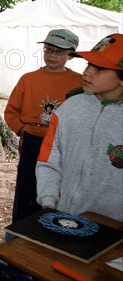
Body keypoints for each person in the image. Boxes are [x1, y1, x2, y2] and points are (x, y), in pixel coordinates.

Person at [36, 33, 123, 222]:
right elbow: (49, 160)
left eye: (99, 68)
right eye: (88, 65)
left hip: (114, 231)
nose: (87, 72)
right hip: (62, 216)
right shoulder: (69, 108)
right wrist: (49, 201)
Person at [4, 29, 82, 222]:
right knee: (27, 186)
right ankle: (20, 231)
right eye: (48, 50)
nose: (52, 55)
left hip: (62, 143)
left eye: (59, 52)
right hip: (32, 141)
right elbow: (11, 111)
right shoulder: (28, 79)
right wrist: (23, 130)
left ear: (70, 55)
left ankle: (52, 227)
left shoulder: (79, 82)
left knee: (58, 186)